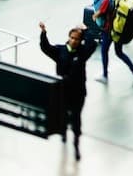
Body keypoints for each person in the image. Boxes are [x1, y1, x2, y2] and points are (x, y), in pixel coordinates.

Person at [38, 21, 98, 161]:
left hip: (78, 92)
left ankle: (76, 145)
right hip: (63, 92)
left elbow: (92, 44)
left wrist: (85, 30)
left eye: (77, 39)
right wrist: (43, 33)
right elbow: (46, 47)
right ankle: (64, 132)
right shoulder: (60, 51)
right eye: (72, 37)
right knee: (63, 115)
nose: (74, 41)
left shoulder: (82, 53)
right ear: (69, 37)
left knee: (76, 119)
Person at [91, 0, 133, 85]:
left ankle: (105, 76)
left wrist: (95, 16)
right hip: (118, 30)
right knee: (119, 52)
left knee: (104, 51)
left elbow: (101, 12)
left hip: (108, 30)